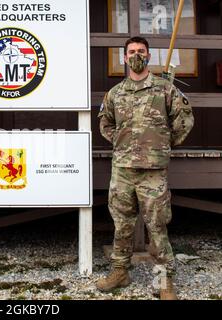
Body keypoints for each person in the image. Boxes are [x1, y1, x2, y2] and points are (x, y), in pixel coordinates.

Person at [96, 37, 194, 300]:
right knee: (122, 224)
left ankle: (164, 282)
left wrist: (163, 144)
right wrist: (122, 143)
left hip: (153, 171)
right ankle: (120, 271)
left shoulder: (164, 89)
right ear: (124, 58)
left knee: (157, 226)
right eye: (131, 52)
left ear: (149, 56)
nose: (136, 55)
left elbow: (184, 120)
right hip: (123, 170)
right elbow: (105, 122)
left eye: (141, 51)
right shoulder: (115, 93)